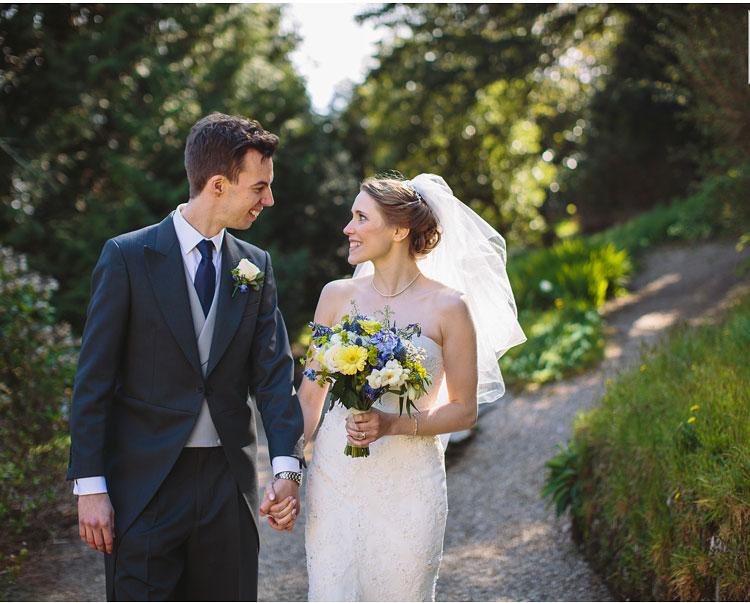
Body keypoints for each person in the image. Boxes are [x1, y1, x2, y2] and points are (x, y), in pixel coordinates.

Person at [66, 113, 304, 601]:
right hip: (145, 485)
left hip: (227, 485)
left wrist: (286, 469)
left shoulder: (255, 266)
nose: (269, 200)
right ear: (218, 184)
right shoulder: (128, 257)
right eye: (260, 187)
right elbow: (94, 379)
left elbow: (274, 375)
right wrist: (89, 486)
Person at [296, 173, 526, 601]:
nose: (348, 228)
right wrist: (288, 470)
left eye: (361, 217)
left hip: (410, 482)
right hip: (336, 478)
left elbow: (464, 410)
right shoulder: (335, 296)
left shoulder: (449, 307)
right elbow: (311, 396)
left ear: (400, 230)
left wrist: (391, 424)